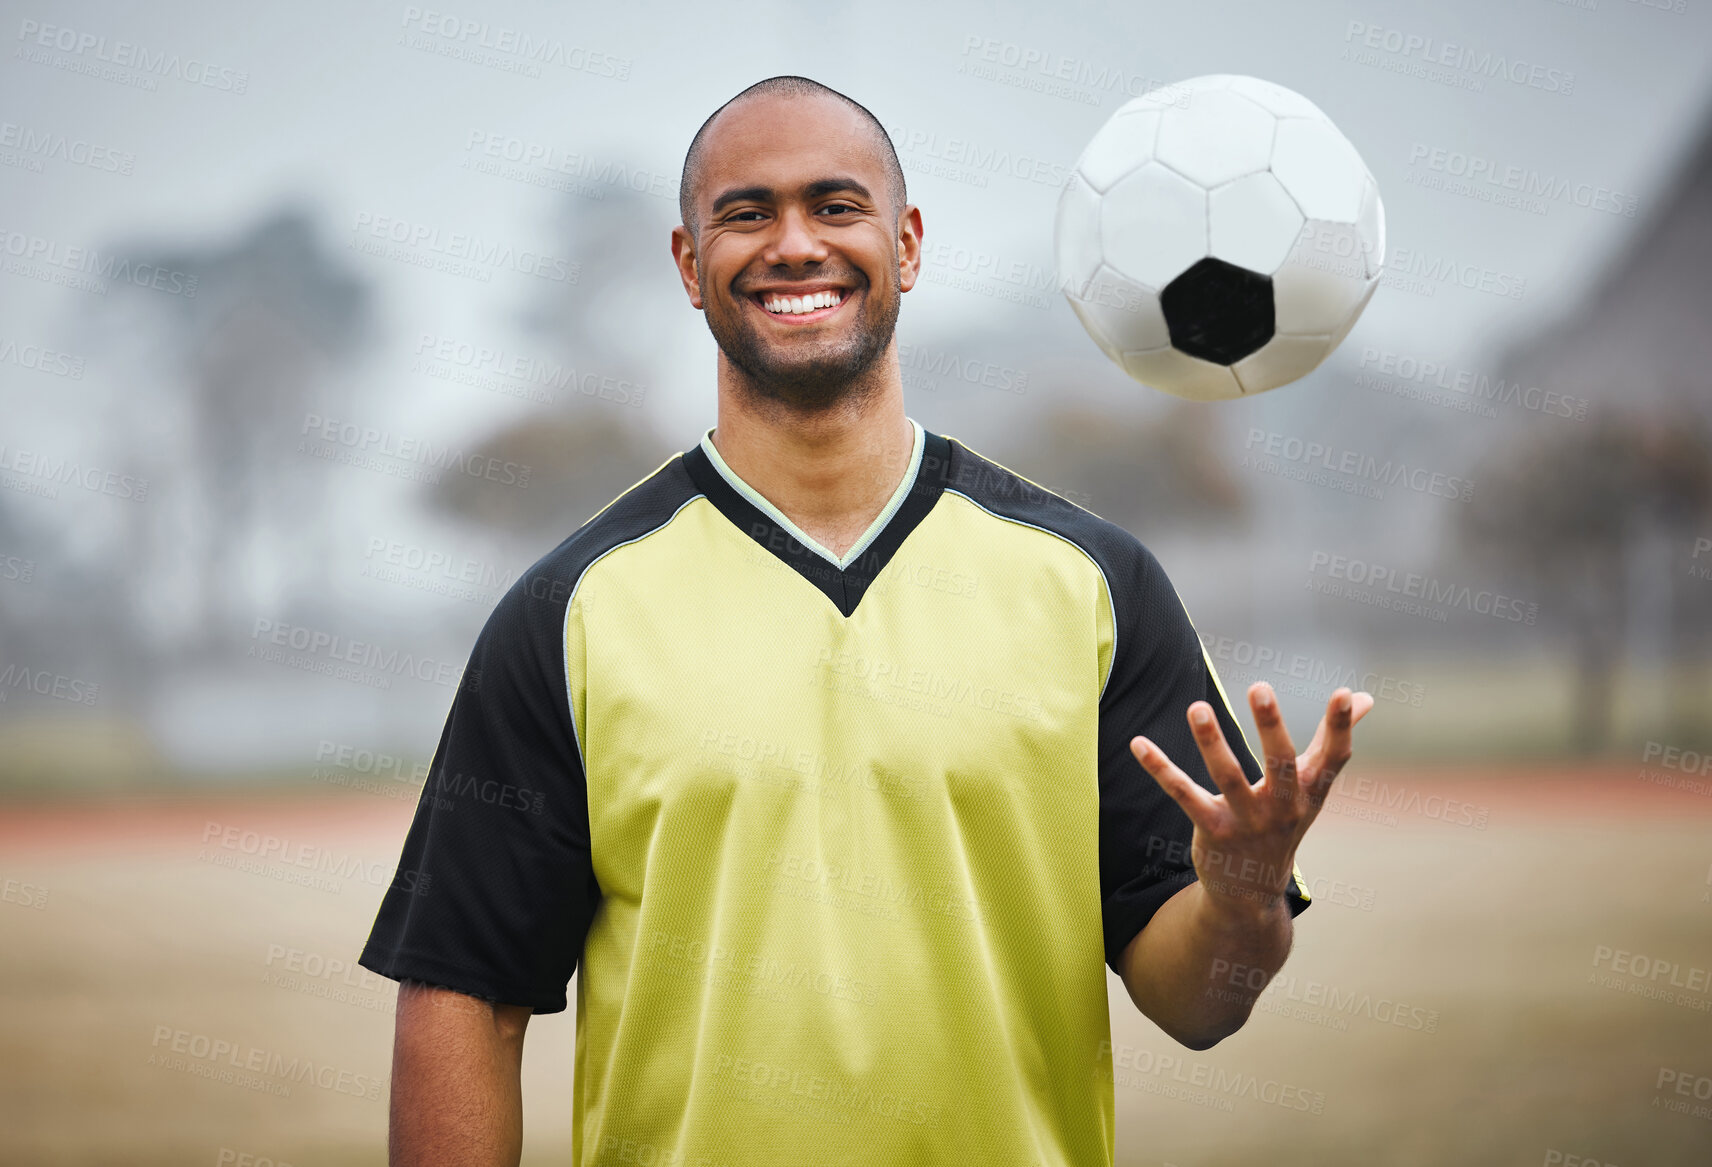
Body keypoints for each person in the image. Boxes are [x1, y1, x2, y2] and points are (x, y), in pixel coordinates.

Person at [359, 74, 1374, 1167]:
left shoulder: (1092, 581)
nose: (793, 245)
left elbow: (1199, 1006)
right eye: (745, 213)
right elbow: (466, 999)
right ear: (688, 265)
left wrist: (1241, 895)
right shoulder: (569, 612)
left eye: (835, 207)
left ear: (909, 243)